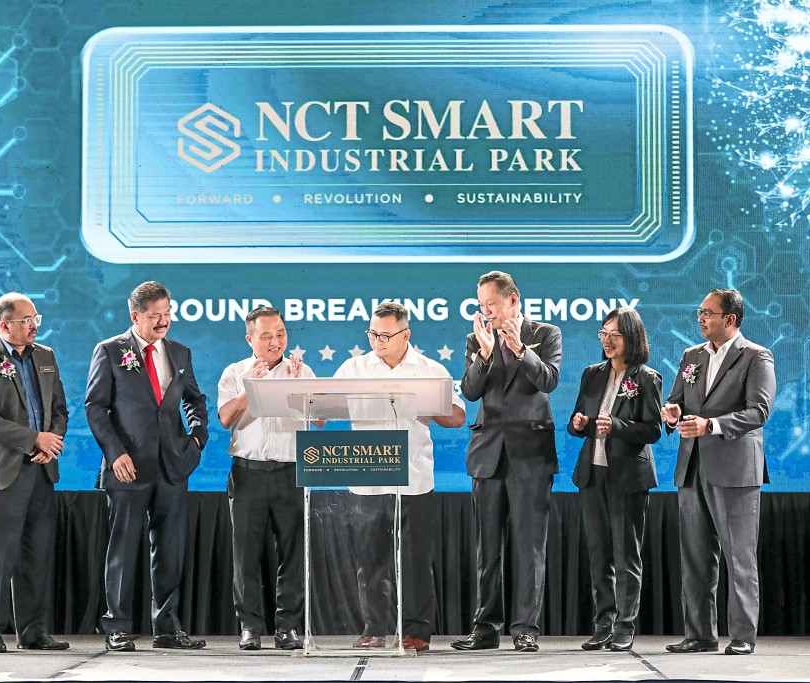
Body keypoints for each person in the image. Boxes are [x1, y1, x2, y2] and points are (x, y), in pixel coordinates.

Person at [334, 301, 465, 653]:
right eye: (372, 333)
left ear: (406, 334)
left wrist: (424, 402)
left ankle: (417, 631)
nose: (377, 340)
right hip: (366, 475)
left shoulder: (429, 368)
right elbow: (320, 411)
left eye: (385, 335)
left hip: (414, 477)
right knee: (370, 560)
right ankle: (375, 628)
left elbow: (456, 418)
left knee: (416, 559)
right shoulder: (353, 368)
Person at [85, 281, 209, 652]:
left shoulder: (180, 352)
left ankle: (167, 628)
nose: (163, 321)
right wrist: (115, 453)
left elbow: (195, 401)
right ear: (135, 316)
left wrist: (197, 439)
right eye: (154, 316)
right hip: (128, 466)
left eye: (167, 313)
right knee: (123, 547)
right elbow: (95, 408)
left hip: (173, 467)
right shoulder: (110, 351)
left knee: (170, 548)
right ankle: (118, 627)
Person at [452, 271, 562, 653]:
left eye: (492, 304)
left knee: (530, 547)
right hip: (488, 454)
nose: (486, 311)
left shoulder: (545, 334)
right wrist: (483, 355)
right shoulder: (475, 339)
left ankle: (525, 629)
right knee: (488, 547)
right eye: (482, 305)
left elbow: (549, 381)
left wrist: (520, 350)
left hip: (531, 453)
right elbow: (469, 391)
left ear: (513, 300)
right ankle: (485, 630)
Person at [661, 289, 775, 656]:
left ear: (730, 319)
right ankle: (700, 634)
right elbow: (677, 397)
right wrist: (672, 412)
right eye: (700, 312)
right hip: (692, 467)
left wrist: (711, 425)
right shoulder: (691, 355)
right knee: (695, 558)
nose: (700, 318)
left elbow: (758, 412)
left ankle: (742, 636)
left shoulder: (756, 357)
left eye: (707, 313)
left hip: (735, 470)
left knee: (738, 558)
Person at [0, 292, 69, 653]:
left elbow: (60, 409)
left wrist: (50, 442)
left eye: (35, 318)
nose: (33, 326)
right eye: (26, 320)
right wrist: (32, 439)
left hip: (42, 471)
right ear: (4, 324)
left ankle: (33, 632)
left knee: (36, 555)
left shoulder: (46, 356)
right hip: (0, 474)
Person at [218, 306, 314, 651]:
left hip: (291, 471)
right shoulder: (235, 372)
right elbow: (226, 418)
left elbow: (318, 422)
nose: (276, 342)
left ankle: (287, 626)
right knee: (246, 554)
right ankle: (250, 627)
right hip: (248, 473)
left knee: (292, 553)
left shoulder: (301, 370)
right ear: (250, 339)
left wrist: (303, 390)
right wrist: (252, 388)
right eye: (267, 335)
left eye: (281, 334)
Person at [567, 307, 661, 652]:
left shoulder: (647, 378)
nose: (607, 341)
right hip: (592, 474)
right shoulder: (592, 374)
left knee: (626, 555)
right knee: (598, 554)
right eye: (603, 334)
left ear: (631, 337)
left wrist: (617, 426)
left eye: (614, 335)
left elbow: (653, 430)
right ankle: (603, 623)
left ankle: (625, 625)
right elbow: (578, 421)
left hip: (627, 478)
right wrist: (578, 424)